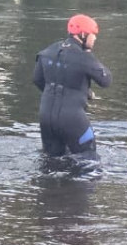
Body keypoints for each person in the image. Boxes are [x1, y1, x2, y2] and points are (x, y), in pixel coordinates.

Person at [32, 14, 112, 158]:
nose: (95, 38)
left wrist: (74, 93)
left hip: (46, 116)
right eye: (93, 34)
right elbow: (106, 80)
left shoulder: (48, 51)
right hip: (72, 117)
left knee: (51, 161)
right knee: (88, 159)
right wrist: (89, 56)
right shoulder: (84, 57)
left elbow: (37, 80)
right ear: (83, 34)